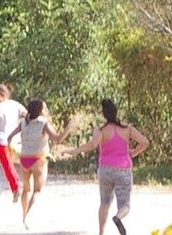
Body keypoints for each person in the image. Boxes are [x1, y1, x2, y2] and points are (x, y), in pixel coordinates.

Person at [64, 98, 149, 235]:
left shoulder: (101, 130)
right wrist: (133, 152)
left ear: (104, 114)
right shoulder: (127, 129)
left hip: (105, 170)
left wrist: (74, 151)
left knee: (104, 202)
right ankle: (118, 217)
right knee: (125, 204)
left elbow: (91, 145)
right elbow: (145, 142)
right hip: (123, 170)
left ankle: (101, 233)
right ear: (116, 112)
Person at [7, 97, 75, 228]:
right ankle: (28, 217)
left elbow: (10, 137)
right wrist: (69, 128)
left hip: (24, 158)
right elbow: (58, 139)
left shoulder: (24, 123)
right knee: (37, 190)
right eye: (44, 108)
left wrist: (12, 150)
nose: (46, 110)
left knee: (26, 190)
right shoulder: (43, 123)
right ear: (40, 110)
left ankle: (23, 216)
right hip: (38, 158)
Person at [0, 83, 26, 201]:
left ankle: (16, 186)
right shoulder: (15, 104)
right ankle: (21, 184)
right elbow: (26, 114)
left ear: (1, 95)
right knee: (14, 163)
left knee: (7, 165)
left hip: (2, 139)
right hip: (15, 139)